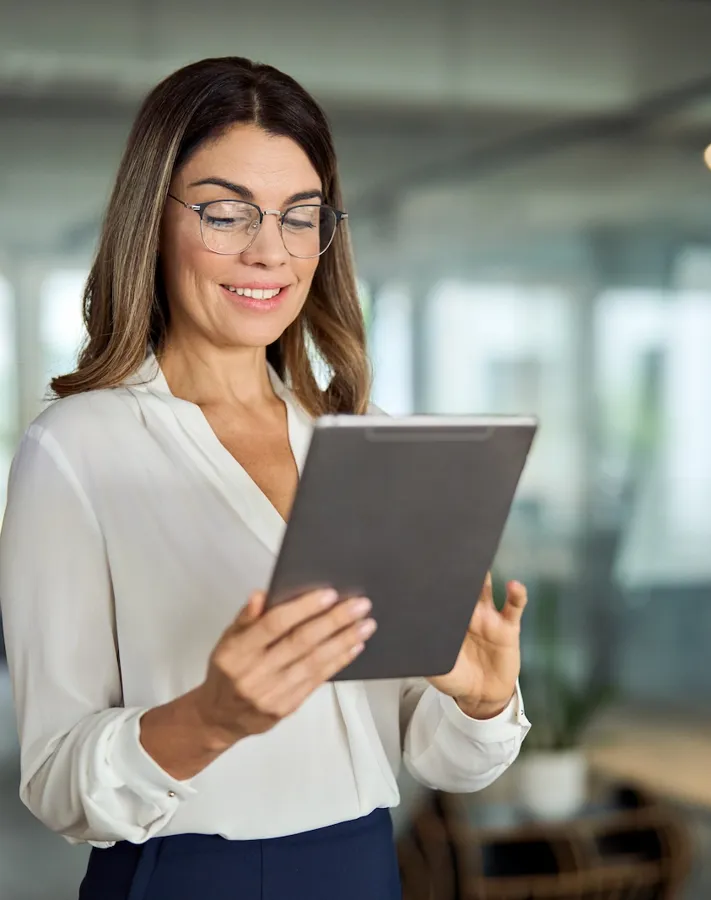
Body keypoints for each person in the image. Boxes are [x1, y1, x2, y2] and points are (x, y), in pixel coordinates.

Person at [0, 57, 531, 900]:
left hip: (362, 867)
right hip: (178, 875)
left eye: (298, 216)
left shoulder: (370, 447)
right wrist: (207, 720)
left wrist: (479, 698)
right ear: (152, 218)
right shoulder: (76, 449)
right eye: (224, 211)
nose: (268, 251)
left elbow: (446, 763)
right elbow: (57, 781)